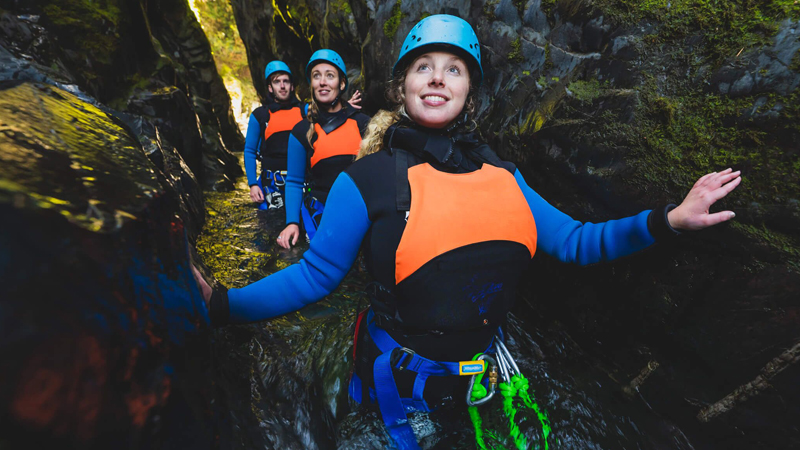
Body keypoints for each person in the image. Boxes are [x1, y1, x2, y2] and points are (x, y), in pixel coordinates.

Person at [195, 15, 741, 450]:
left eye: (453, 68)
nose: (437, 76)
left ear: (470, 92)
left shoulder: (505, 178)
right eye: (423, 67)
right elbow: (313, 279)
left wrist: (670, 219)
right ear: (401, 87)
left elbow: (577, 241)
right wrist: (223, 305)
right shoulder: (369, 180)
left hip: (488, 377)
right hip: (400, 392)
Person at [276, 50, 370, 247]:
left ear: (341, 84)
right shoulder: (301, 131)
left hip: (360, 213)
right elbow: (294, 181)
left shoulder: (364, 124)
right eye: (316, 76)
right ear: (311, 84)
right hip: (320, 215)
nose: (322, 82)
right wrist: (291, 223)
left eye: (330, 75)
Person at [243, 60, 363, 210]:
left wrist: (345, 107)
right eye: (277, 82)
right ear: (270, 88)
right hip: (272, 184)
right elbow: (249, 151)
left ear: (292, 86)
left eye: (286, 81)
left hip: (302, 180)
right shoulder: (260, 115)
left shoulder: (304, 110)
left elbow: (327, 112)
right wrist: (253, 184)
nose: (282, 86)